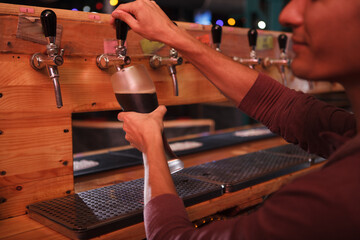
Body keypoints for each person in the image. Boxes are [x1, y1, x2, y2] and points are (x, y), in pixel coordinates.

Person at [112, 0, 360, 239]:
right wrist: (174, 36)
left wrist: (151, 145)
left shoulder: (334, 201)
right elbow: (281, 105)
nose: (287, 14)